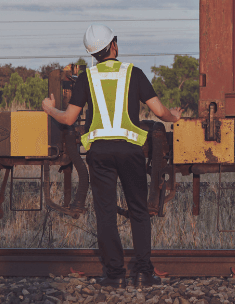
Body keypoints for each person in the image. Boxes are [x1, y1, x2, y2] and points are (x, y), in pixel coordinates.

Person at [41, 24, 182, 288]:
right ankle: (143, 273)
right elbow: (160, 112)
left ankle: (115, 275)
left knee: (105, 214)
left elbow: (70, 118)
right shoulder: (134, 74)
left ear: (92, 54)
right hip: (130, 151)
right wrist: (176, 116)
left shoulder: (87, 78)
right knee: (139, 212)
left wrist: (50, 109)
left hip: (100, 153)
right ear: (114, 45)